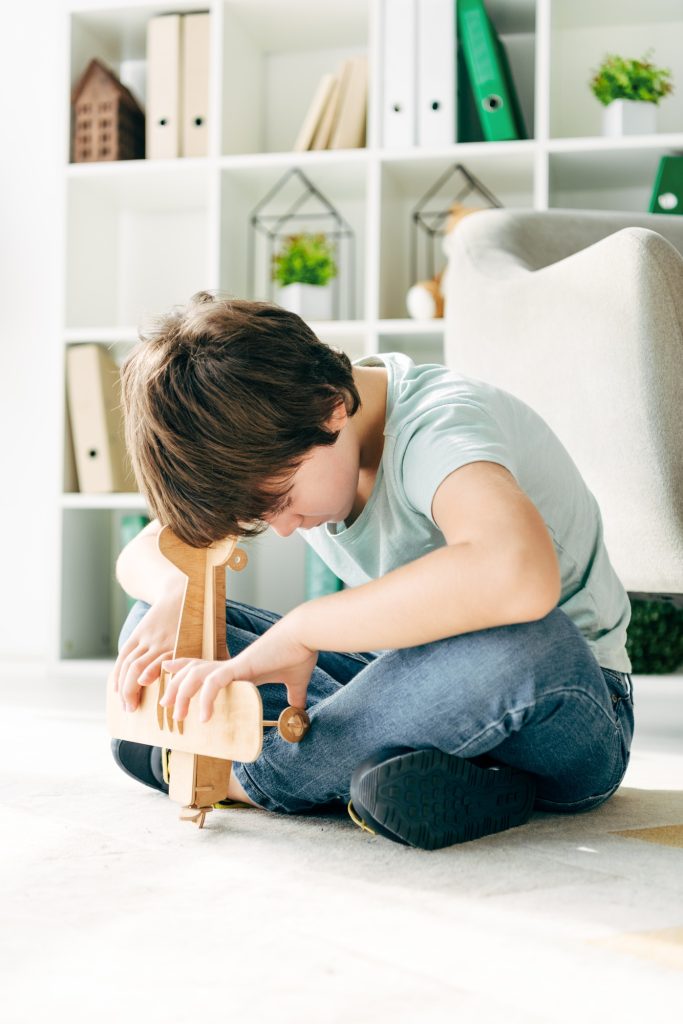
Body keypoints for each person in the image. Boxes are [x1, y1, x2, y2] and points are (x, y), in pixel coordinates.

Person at [111, 290, 634, 851]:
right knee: (158, 624)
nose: (283, 528)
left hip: (565, 701)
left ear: (331, 408)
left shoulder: (438, 426)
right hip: (397, 680)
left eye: (282, 500)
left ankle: (247, 777)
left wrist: (303, 629)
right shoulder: (287, 432)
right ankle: (406, 777)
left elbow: (519, 576)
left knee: (527, 640)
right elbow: (147, 550)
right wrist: (177, 591)